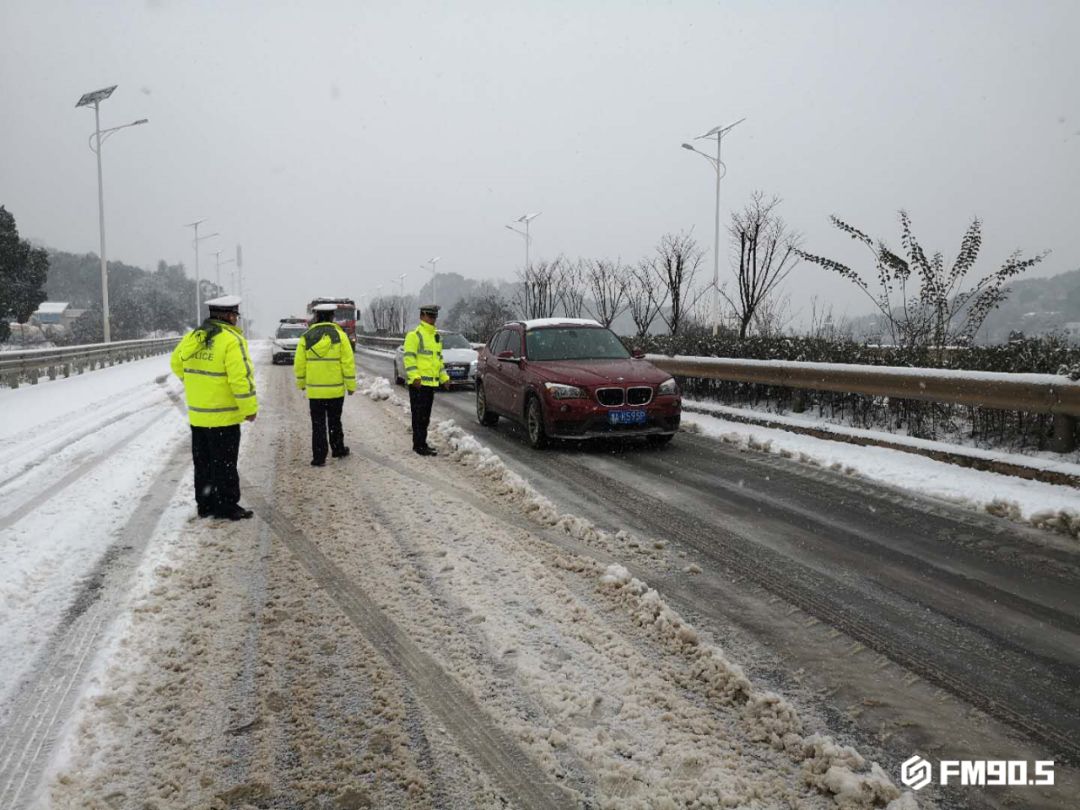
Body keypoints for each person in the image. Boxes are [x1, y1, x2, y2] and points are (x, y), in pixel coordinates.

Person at [170, 295, 258, 520]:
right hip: (224, 416)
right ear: (229, 316)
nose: (236, 320)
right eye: (235, 315)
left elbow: (176, 363)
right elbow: (240, 378)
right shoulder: (230, 340)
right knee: (225, 464)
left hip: (199, 416)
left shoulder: (193, 337)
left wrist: (194, 383)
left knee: (204, 463)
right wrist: (249, 408)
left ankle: (205, 504)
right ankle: (227, 506)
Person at [295, 302, 356, 466]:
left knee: (318, 424)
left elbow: (300, 363)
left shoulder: (307, 336)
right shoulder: (340, 336)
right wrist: (350, 386)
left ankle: (319, 457)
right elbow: (348, 363)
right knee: (335, 421)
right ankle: (337, 449)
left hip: (315, 392)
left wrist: (301, 382)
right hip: (335, 390)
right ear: (332, 316)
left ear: (316, 316)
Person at [402, 304, 449, 456]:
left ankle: (422, 442)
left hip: (430, 384)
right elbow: (409, 358)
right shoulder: (415, 335)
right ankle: (419, 445)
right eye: (429, 316)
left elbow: (438, 361)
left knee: (425, 417)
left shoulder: (436, 337)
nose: (432, 319)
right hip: (419, 384)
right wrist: (415, 377)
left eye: (434, 316)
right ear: (421, 316)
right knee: (419, 416)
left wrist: (444, 377)